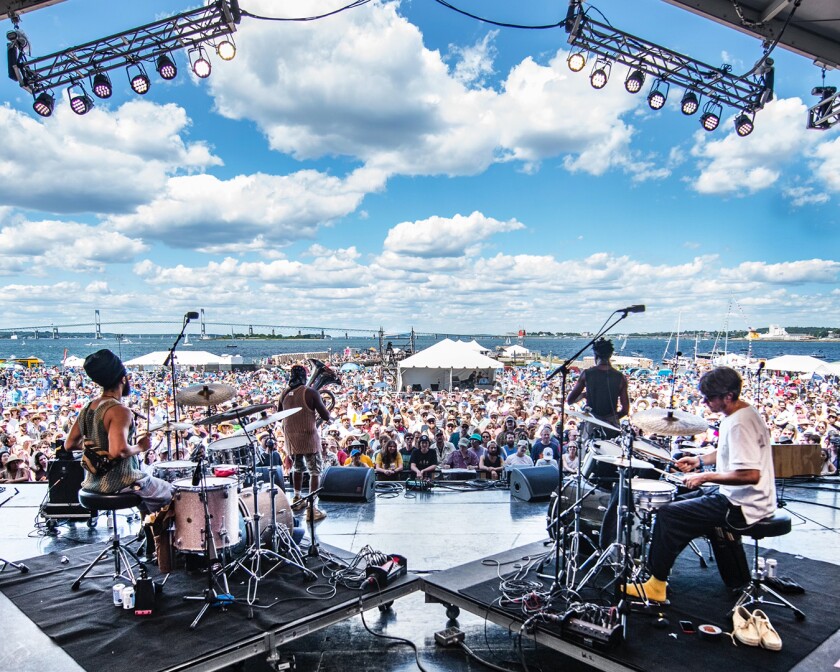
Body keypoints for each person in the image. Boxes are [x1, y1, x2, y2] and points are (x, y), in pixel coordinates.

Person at [625, 367, 776, 604]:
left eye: (710, 397)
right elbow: (728, 451)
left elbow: (750, 474)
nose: (705, 402)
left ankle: (656, 585)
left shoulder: (739, 424)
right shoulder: (742, 412)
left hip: (743, 505)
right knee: (679, 501)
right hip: (744, 497)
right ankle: (733, 577)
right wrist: (699, 461)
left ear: (728, 395)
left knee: (668, 514)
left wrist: (705, 477)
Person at [65, 350, 174, 514]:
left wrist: (97, 448)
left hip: (92, 482)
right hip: (119, 482)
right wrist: (140, 446)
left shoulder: (88, 407)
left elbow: (69, 444)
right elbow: (119, 451)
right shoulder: (119, 410)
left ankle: (148, 533)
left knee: (149, 491)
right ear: (123, 378)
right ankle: (157, 537)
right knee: (173, 493)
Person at [279, 363, 331, 521]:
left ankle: (296, 498)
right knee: (315, 471)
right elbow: (326, 416)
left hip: (291, 438)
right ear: (305, 377)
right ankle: (312, 508)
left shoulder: (284, 393)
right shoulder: (311, 392)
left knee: (298, 467)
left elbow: (279, 414)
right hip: (308, 437)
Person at [566, 338, 629, 443]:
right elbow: (625, 409)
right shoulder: (620, 377)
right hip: (611, 426)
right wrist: (611, 418)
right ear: (610, 355)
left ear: (595, 355)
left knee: (588, 452)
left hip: (592, 423)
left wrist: (584, 395)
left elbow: (570, 400)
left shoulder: (587, 374)